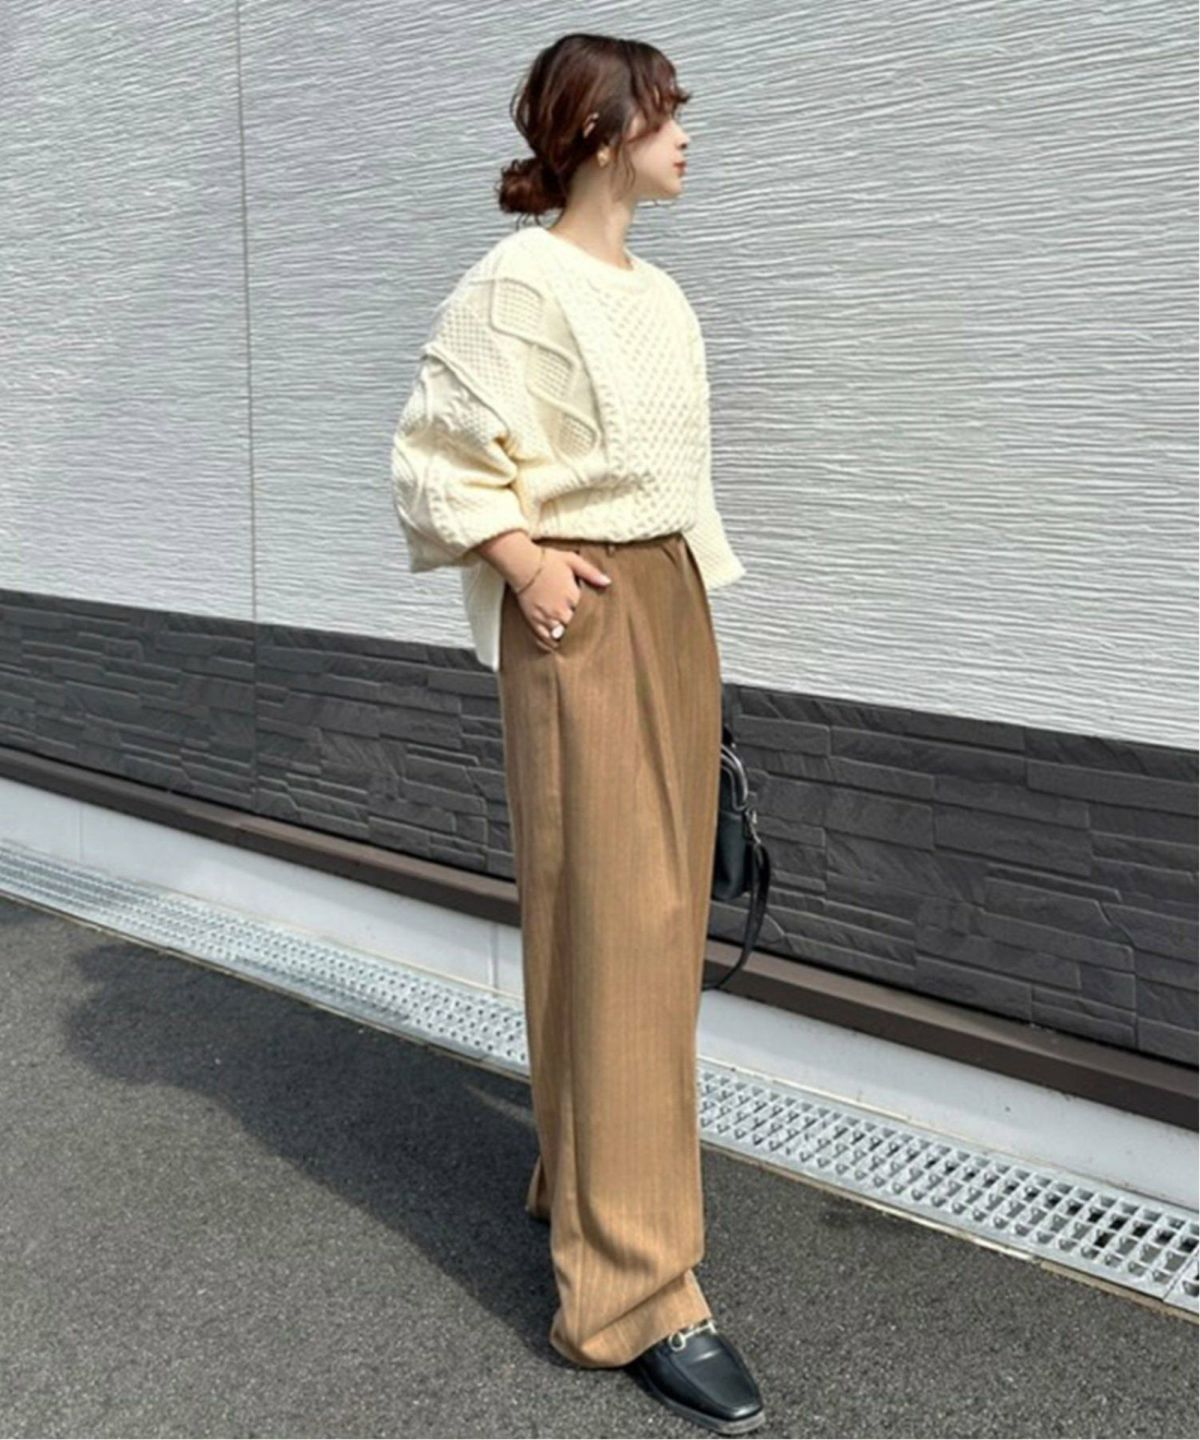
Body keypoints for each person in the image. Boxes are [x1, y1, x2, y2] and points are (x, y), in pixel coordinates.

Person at [390, 32, 764, 1437]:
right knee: (614, 924)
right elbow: (433, 453)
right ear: (603, 134)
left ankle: (586, 1180)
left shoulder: (658, 293)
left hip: (668, 603)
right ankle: (635, 1296)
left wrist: (681, 615)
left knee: (643, 930)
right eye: (666, 115)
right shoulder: (517, 283)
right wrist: (523, 561)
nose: (687, 137)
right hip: (583, 616)